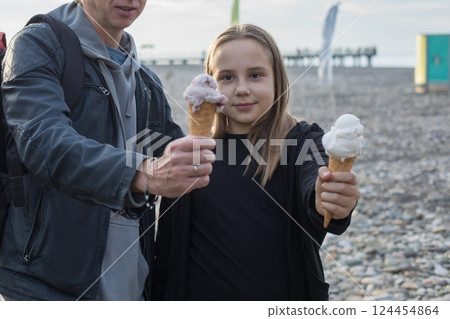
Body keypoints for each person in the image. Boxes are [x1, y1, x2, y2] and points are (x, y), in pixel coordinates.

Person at [0, 0, 215, 301]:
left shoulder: (147, 82)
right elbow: (45, 142)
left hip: (131, 288)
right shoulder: (38, 44)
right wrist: (144, 173)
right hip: (45, 289)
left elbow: (180, 162)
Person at [152, 24, 360, 301]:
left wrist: (331, 197)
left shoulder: (302, 142)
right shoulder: (192, 155)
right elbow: (167, 246)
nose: (241, 89)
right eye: (227, 77)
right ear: (210, 85)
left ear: (278, 80)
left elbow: (317, 185)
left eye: (255, 75)